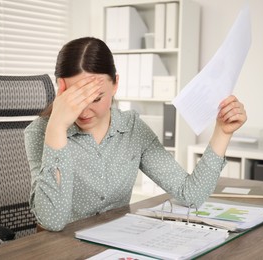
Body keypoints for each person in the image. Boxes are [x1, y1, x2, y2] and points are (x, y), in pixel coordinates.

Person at [24, 37, 247, 231]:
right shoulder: (41, 132)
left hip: (116, 244)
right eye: (76, 98)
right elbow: (51, 221)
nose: (84, 110)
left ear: (115, 85)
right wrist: (56, 128)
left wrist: (222, 132)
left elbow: (191, 195)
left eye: (95, 98)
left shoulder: (132, 129)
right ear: (61, 89)